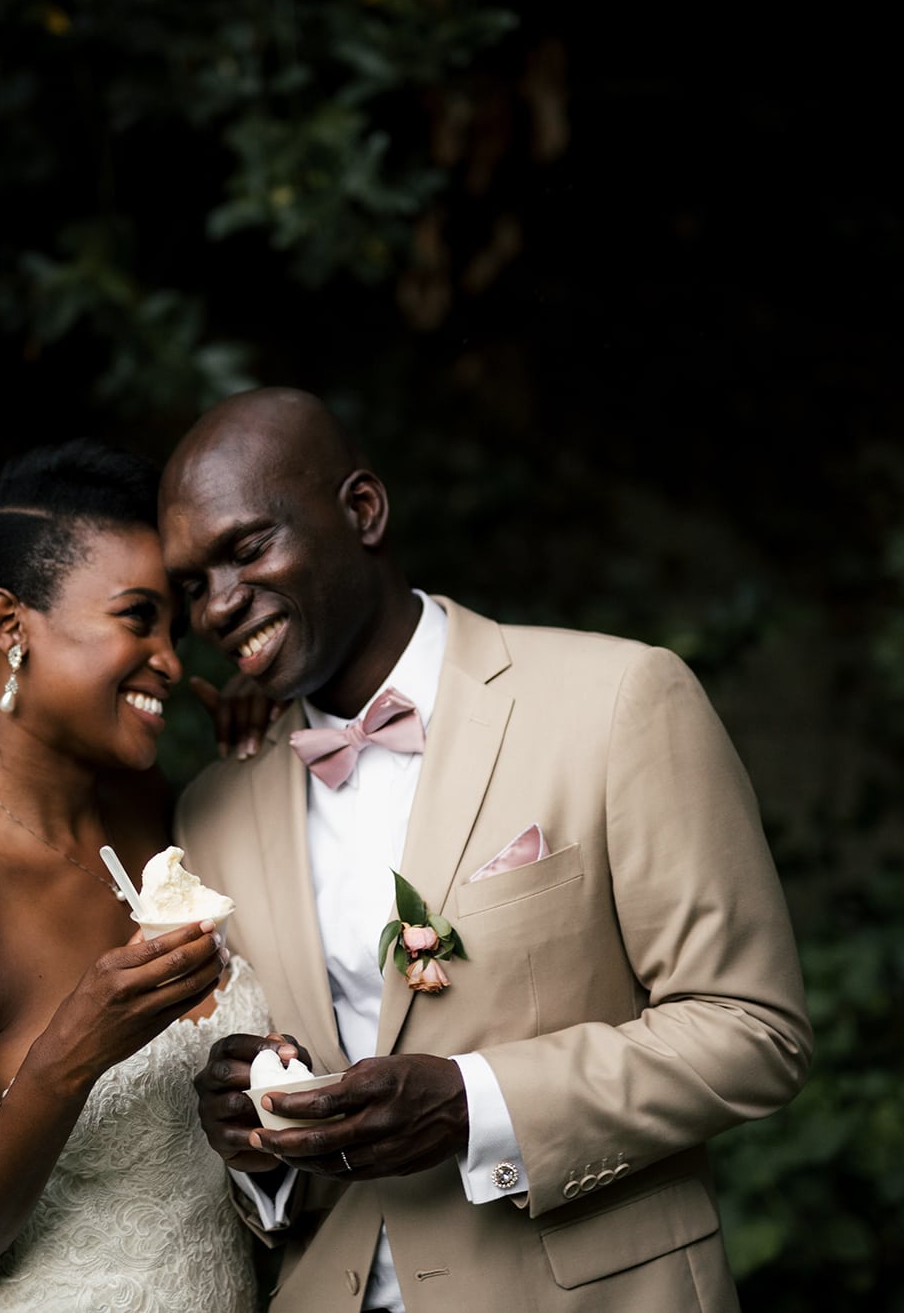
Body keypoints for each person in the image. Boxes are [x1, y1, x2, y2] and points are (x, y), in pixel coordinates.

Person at [163, 388, 814, 1312]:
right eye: (191, 584)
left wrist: (477, 1101)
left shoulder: (619, 697)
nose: (219, 605)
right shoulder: (212, 813)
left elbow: (754, 1031)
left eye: (247, 549)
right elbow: (272, 1155)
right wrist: (252, 1143)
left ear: (363, 511)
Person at [0, 438, 264, 1312]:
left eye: (173, 630)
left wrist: (262, 760)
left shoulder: (156, 815)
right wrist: (66, 1062)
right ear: (9, 624)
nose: (174, 661)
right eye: (137, 619)